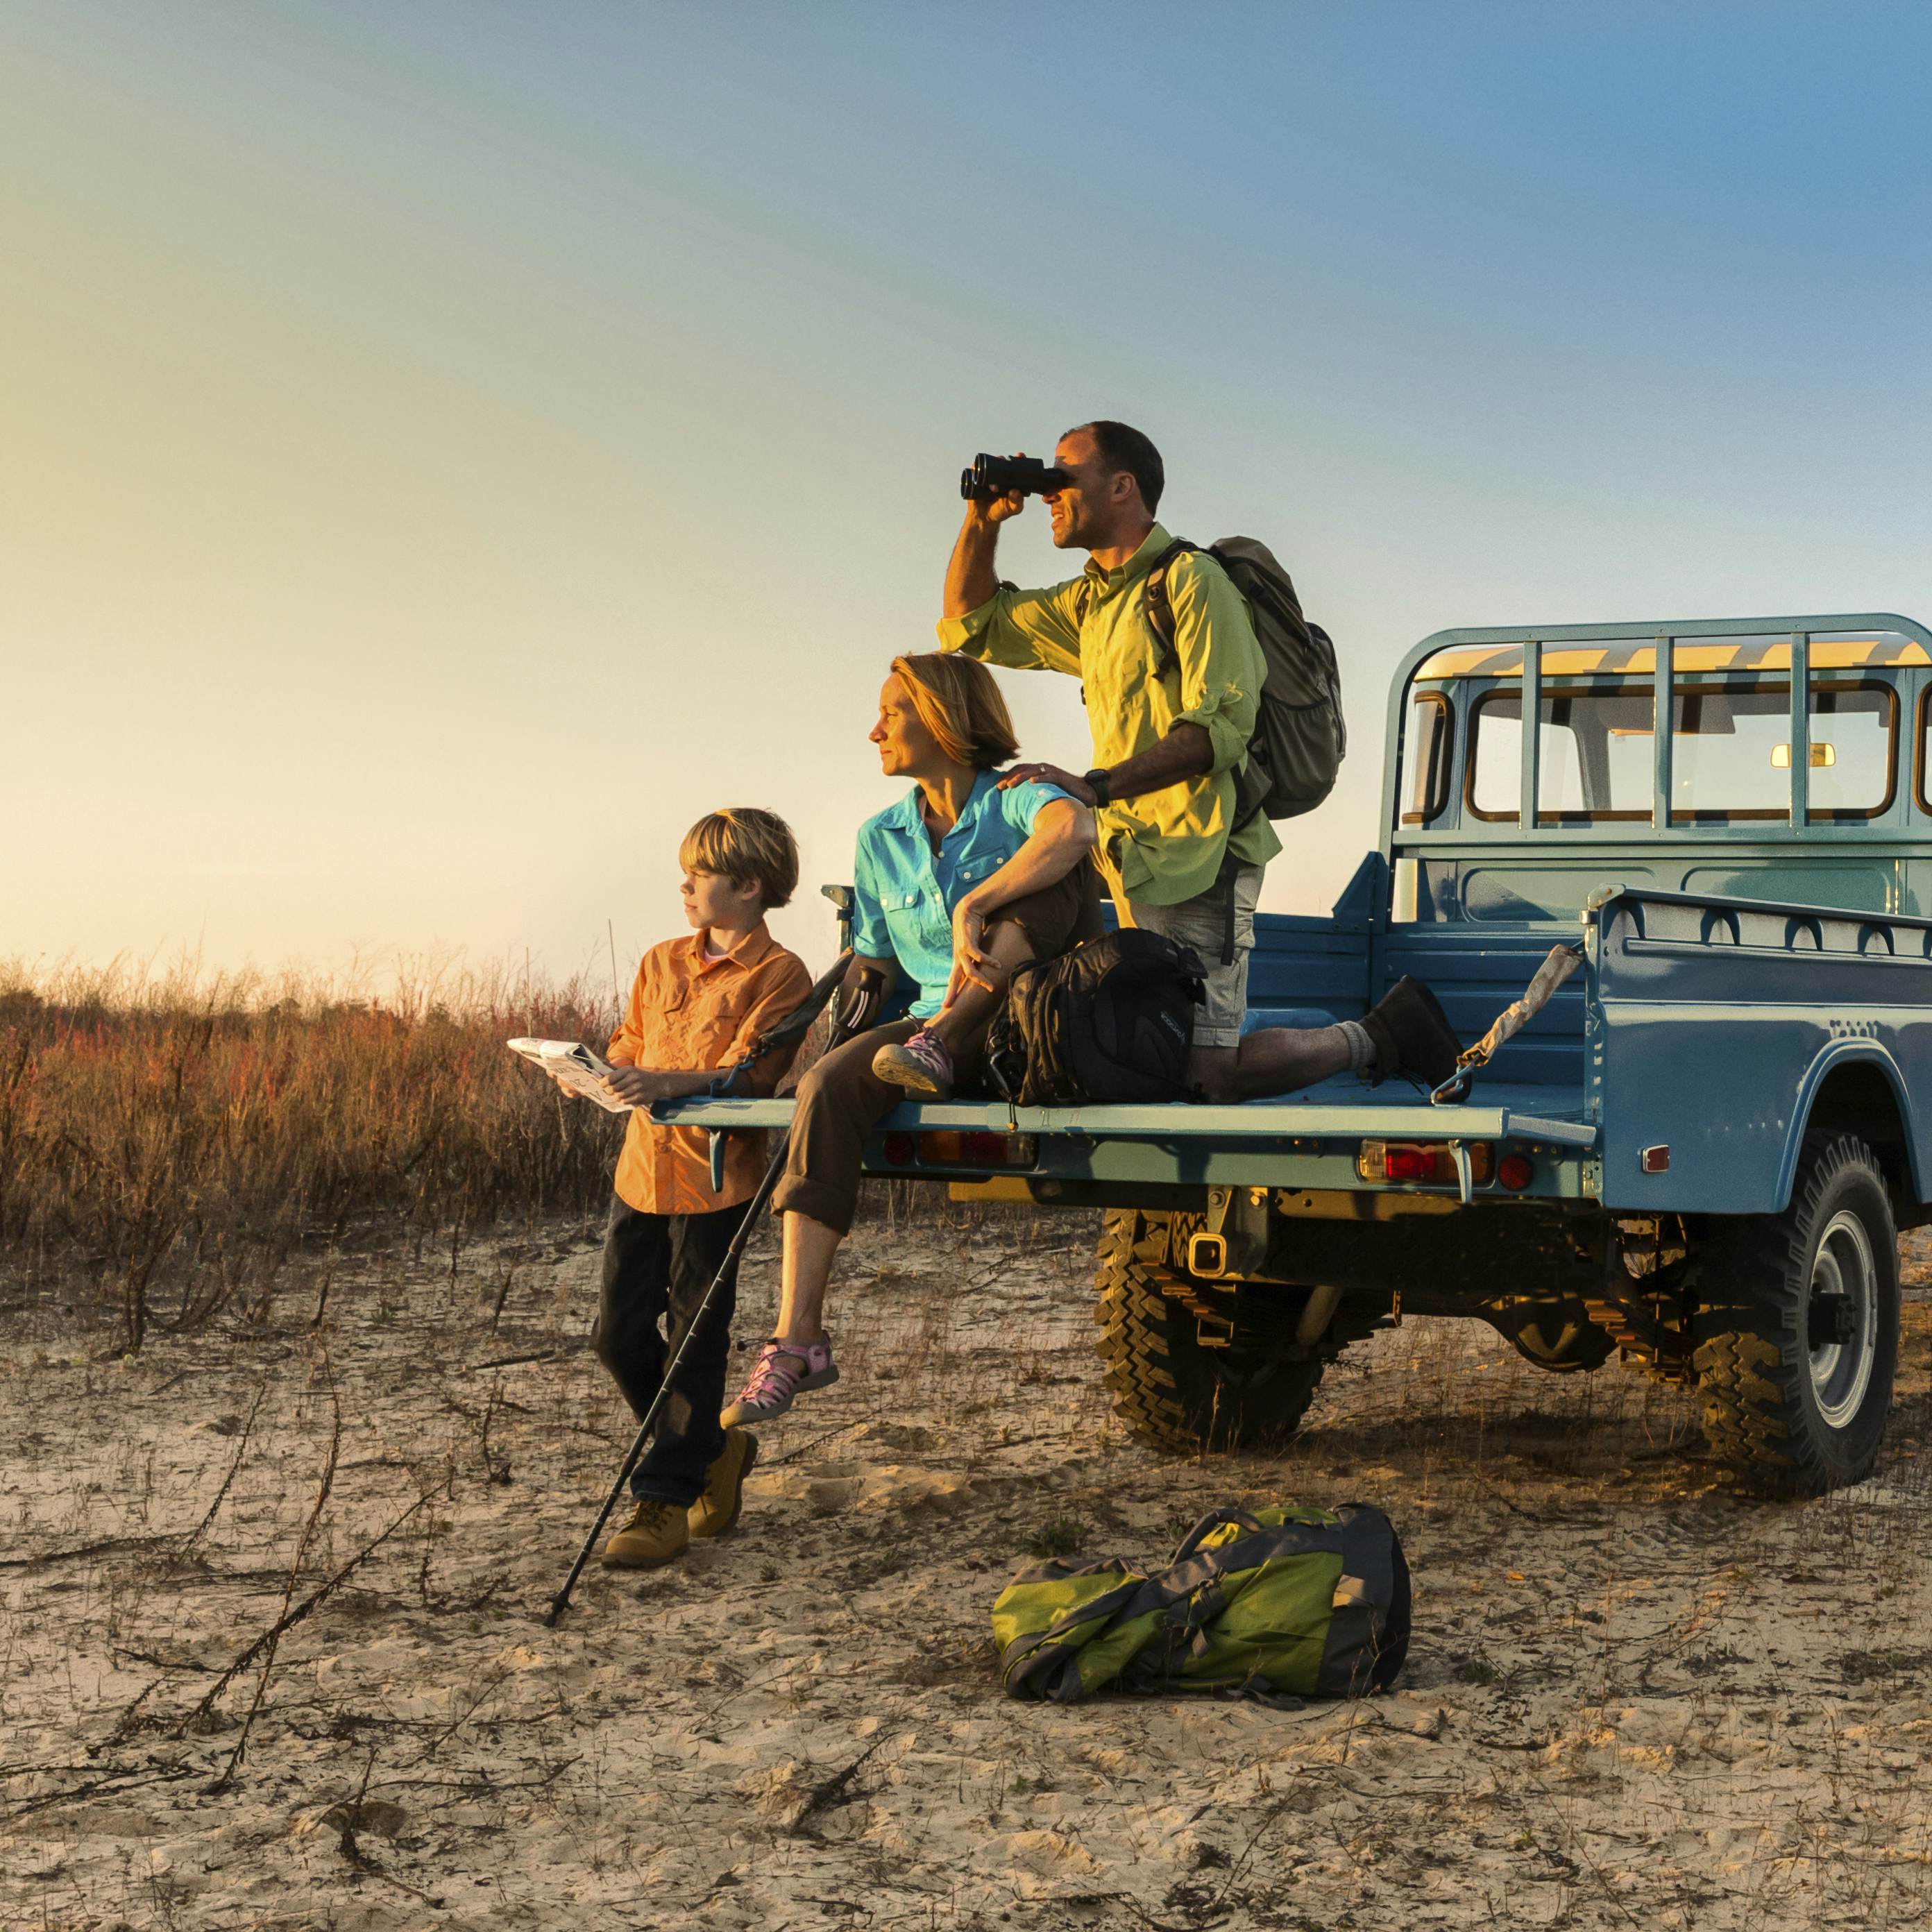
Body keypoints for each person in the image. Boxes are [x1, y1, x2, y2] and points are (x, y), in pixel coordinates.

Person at [939, 418, 1459, 1099]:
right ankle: (947, 1042)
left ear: (1122, 486)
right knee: (1146, 1048)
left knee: (1205, 1077)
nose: (1050, 495)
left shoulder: (1191, 582)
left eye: (1063, 477)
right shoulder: (1092, 601)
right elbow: (970, 625)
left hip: (1202, 859)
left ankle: (1382, 1035)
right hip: (1128, 857)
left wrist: (1097, 786)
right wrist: (983, 518)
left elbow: (1220, 730)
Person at [720, 653, 1099, 1426]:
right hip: (921, 1028)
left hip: (1034, 1024)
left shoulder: (1021, 797)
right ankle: (798, 1341)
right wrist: (816, 1050)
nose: (874, 731)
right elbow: (877, 966)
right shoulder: (880, 837)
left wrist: (976, 906)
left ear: (945, 716)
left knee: (1051, 879)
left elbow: (1076, 829)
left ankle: (946, 1038)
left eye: (891, 714)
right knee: (827, 1087)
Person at [557, 807, 814, 1570]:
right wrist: (594, 1076)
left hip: (715, 1178)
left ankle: (664, 1501)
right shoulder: (660, 960)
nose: (684, 887)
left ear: (749, 884)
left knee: (694, 1340)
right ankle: (713, 1450)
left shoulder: (783, 975)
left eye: (698, 876)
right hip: (642, 1171)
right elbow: (629, 1044)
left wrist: (668, 1080)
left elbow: (754, 1074)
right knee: (615, 1335)